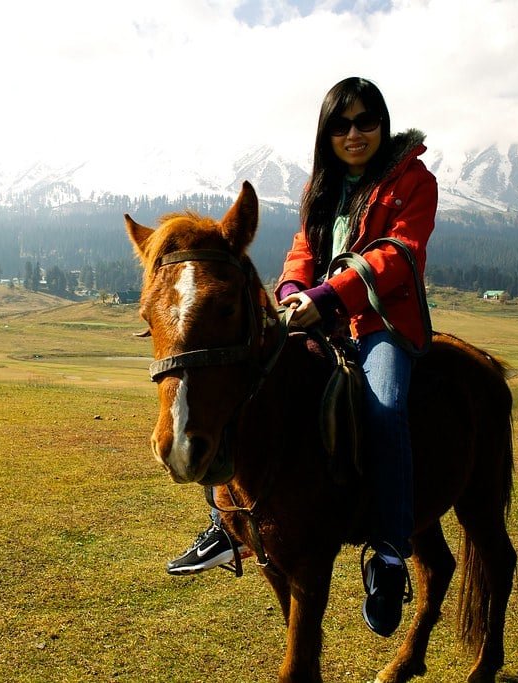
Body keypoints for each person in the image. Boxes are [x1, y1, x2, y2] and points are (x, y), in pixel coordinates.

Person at [166, 76, 437, 639]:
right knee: (244, 381)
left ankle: (388, 553)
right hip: (318, 316)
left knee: (385, 411)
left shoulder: (412, 180)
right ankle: (226, 518)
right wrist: (293, 291)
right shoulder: (323, 187)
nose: (354, 133)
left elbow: (399, 253)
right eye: (341, 125)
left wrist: (329, 296)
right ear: (327, 133)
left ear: (383, 126)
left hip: (383, 324)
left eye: (366, 122)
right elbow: (303, 249)